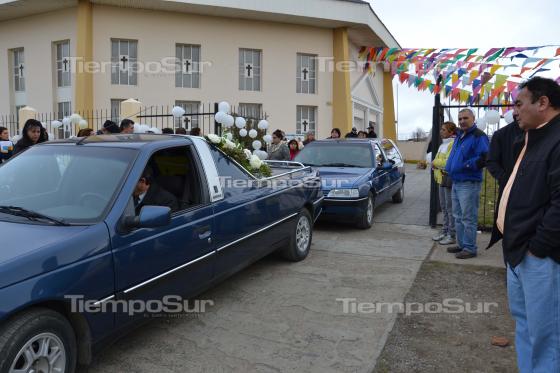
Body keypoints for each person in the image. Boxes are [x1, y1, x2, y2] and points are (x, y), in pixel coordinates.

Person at [489, 77, 560, 373]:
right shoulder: (530, 139)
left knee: (546, 336)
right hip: (517, 251)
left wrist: (538, 248)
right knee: (526, 327)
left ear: (542, 103)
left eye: (519, 104)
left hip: (539, 257)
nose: (514, 111)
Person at [444, 108, 489, 259]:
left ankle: (470, 248)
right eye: (460, 119)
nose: (462, 121)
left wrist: (466, 165)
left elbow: (484, 157)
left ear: (473, 119)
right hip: (456, 181)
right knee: (457, 216)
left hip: (468, 182)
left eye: (465, 118)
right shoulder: (460, 136)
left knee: (468, 217)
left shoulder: (478, 136)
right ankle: (462, 244)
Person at [485, 112, 524, 252]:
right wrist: (505, 179)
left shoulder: (546, 133)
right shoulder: (502, 134)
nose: (516, 111)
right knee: (509, 229)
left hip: (538, 194)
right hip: (510, 191)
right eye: (517, 105)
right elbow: (491, 161)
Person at [431, 121, 457, 245]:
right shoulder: (443, 144)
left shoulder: (452, 143)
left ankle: (451, 234)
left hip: (448, 179)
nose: (441, 132)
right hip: (441, 179)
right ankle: (445, 231)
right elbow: (438, 160)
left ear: (451, 132)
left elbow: (446, 163)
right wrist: (436, 163)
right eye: (441, 129)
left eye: (444, 130)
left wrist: (435, 163)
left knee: (450, 208)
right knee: (444, 208)